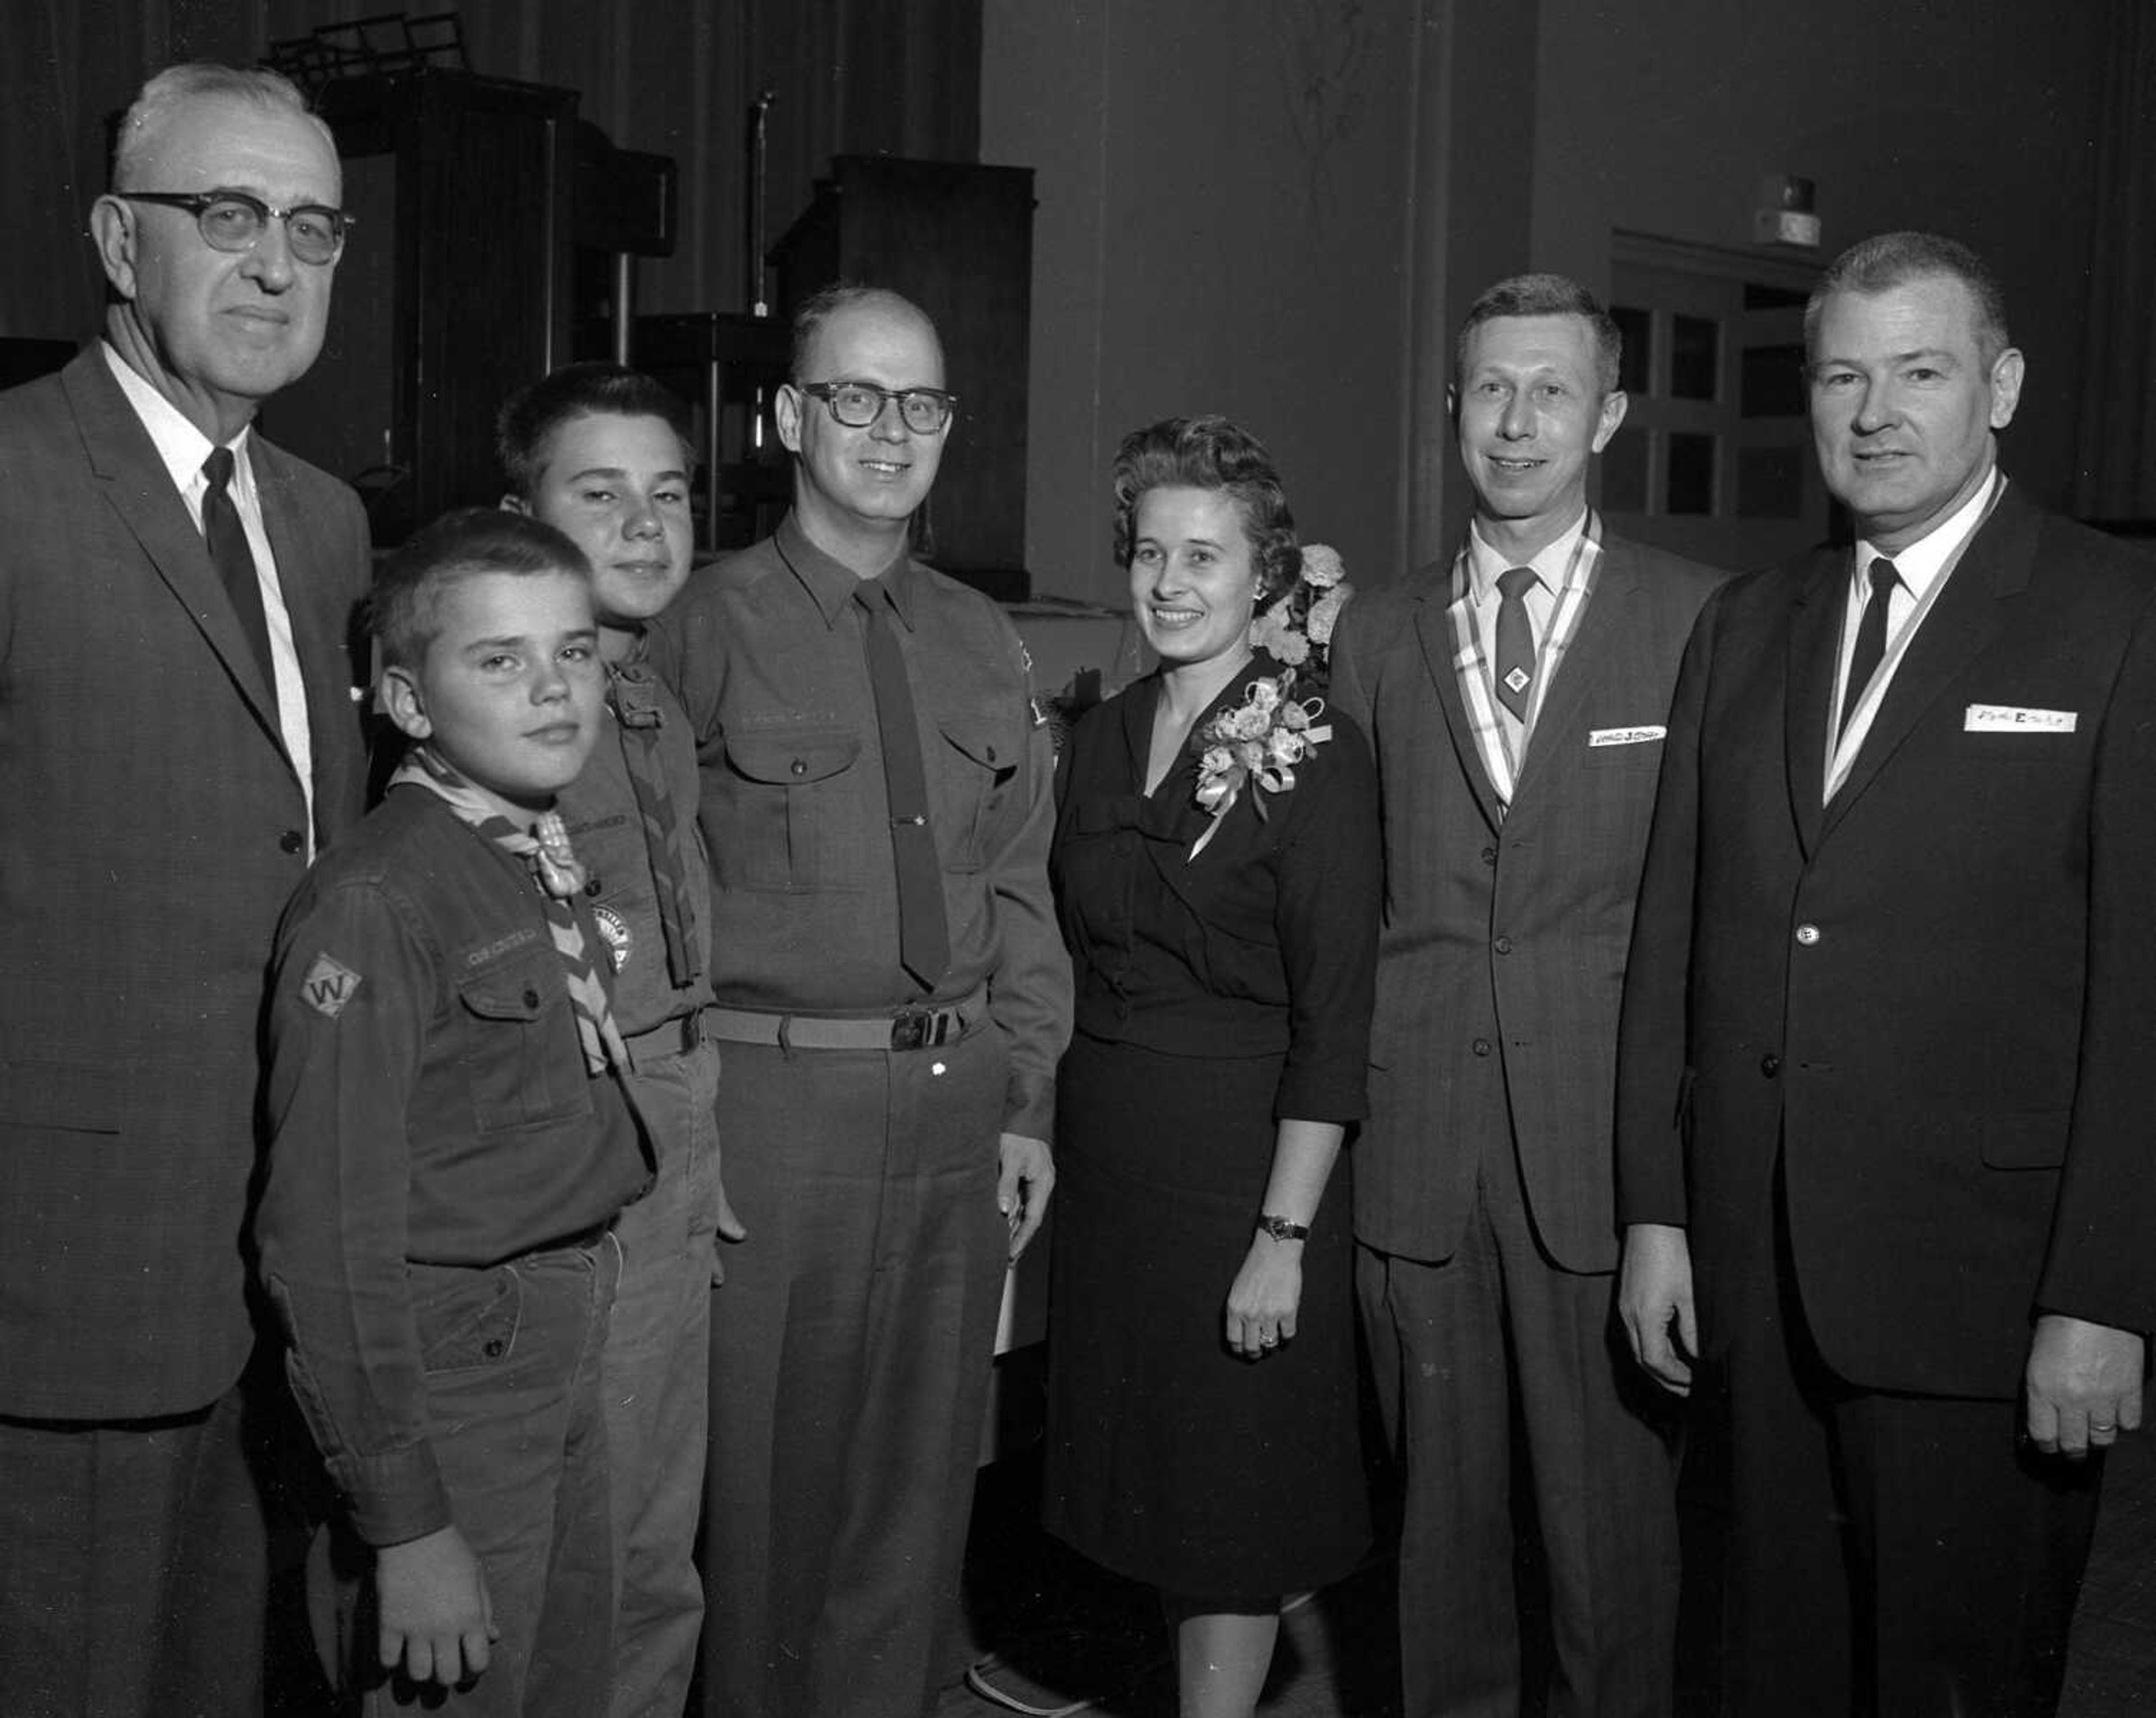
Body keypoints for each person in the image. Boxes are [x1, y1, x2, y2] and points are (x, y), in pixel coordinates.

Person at [1615, 231, 2156, 1717]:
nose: (1875, 410)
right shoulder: (1748, 623)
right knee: (1766, 1668)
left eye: (1919, 370)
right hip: (1756, 1276)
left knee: (1956, 1679)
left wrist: (2106, 1293)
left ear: (2004, 386)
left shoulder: (2116, 614)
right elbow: (1679, 940)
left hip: (1984, 1295)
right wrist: (1659, 1212)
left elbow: (2145, 999)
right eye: (1843, 374)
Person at [0, 61, 370, 1716]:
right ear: (114, 239)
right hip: (66, 1274)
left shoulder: (328, 520)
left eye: (312, 226)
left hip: (276, 1266)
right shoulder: (11, 477)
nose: (276, 266)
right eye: (225, 216)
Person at [651, 284, 1070, 1718]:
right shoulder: (702, 625)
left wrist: (1029, 1100)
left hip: (955, 1115)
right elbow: (653, 900)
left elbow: (1019, 888)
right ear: (786, 417)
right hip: (775, 1122)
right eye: (855, 397)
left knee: (917, 1493)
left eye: (923, 404)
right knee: (767, 1496)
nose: (891, 432)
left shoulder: (981, 639)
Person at [1328, 273, 1725, 1716]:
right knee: (1436, 1556)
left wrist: (1673, 1182)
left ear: (1608, 412)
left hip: (1599, 1162)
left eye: (1551, 390)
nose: (1516, 421)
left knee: (1612, 1554)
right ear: (1453, 409)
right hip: (1418, 1155)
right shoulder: (1368, 636)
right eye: (1490, 388)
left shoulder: (1699, 622)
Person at [258, 508, 653, 1715]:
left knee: (563, 1678)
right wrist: (409, 1523)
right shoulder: (380, 900)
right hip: (453, 1369)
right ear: (407, 702)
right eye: (501, 661)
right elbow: (322, 1243)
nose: (554, 691)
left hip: (561, 1329)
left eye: (574, 653)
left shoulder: (528, 848)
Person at [1044, 415, 1379, 1718]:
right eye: (1148, 553)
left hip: (1249, 1173)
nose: (1170, 582)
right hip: (1119, 1171)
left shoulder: (1314, 751)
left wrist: (1283, 1235)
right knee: (1162, 1492)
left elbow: (1334, 1023)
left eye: (1204, 555)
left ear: (1266, 579)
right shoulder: (1103, 732)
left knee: (1229, 1505)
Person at [498, 362, 742, 1717]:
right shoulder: (516, 712)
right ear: (520, 514)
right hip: (578, 1146)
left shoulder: (644, 697)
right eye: (601, 496)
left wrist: (698, 1137)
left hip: (672, 1114)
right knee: (580, 1547)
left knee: (654, 1540)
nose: (648, 525)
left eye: (670, 494)